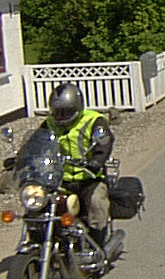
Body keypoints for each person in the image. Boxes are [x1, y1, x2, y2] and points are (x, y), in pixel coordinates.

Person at [44, 83, 114, 247]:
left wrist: (96, 161)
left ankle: (98, 245)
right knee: (37, 204)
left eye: (66, 111)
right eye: (57, 112)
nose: (61, 116)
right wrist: (21, 158)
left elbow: (105, 142)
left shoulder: (93, 120)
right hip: (59, 180)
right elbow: (36, 141)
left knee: (96, 202)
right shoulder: (49, 123)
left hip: (89, 177)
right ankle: (40, 240)